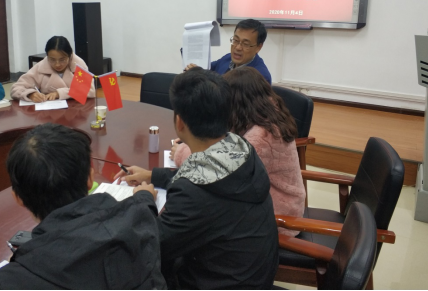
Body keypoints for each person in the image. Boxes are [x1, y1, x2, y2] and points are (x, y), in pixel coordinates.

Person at [0, 123, 166, 290]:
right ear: (89, 178)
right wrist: (144, 196)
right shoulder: (141, 219)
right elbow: (143, 207)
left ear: (18, 198)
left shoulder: (13, 280)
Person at [115, 68, 279, 290]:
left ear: (180, 122)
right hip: (251, 276)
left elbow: (153, 245)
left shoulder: (192, 192)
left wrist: (143, 199)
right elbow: (207, 178)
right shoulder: (241, 149)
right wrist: (152, 175)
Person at [171, 67, 306, 237]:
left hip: (278, 218)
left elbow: (221, 170)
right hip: (270, 201)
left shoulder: (261, 137)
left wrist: (182, 152)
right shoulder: (266, 115)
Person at [185, 19, 272, 84]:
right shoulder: (228, 58)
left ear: (258, 47)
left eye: (245, 44)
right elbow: (205, 69)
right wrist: (194, 68)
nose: (238, 48)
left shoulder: (261, 77)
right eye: (235, 40)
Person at [11, 36, 95, 103]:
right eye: (52, 60)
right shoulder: (41, 67)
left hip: (76, 110)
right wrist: (30, 94)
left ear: (70, 56)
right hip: (49, 113)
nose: (57, 64)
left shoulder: (78, 64)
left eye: (62, 60)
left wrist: (59, 93)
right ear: (47, 56)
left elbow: (89, 90)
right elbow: (16, 88)